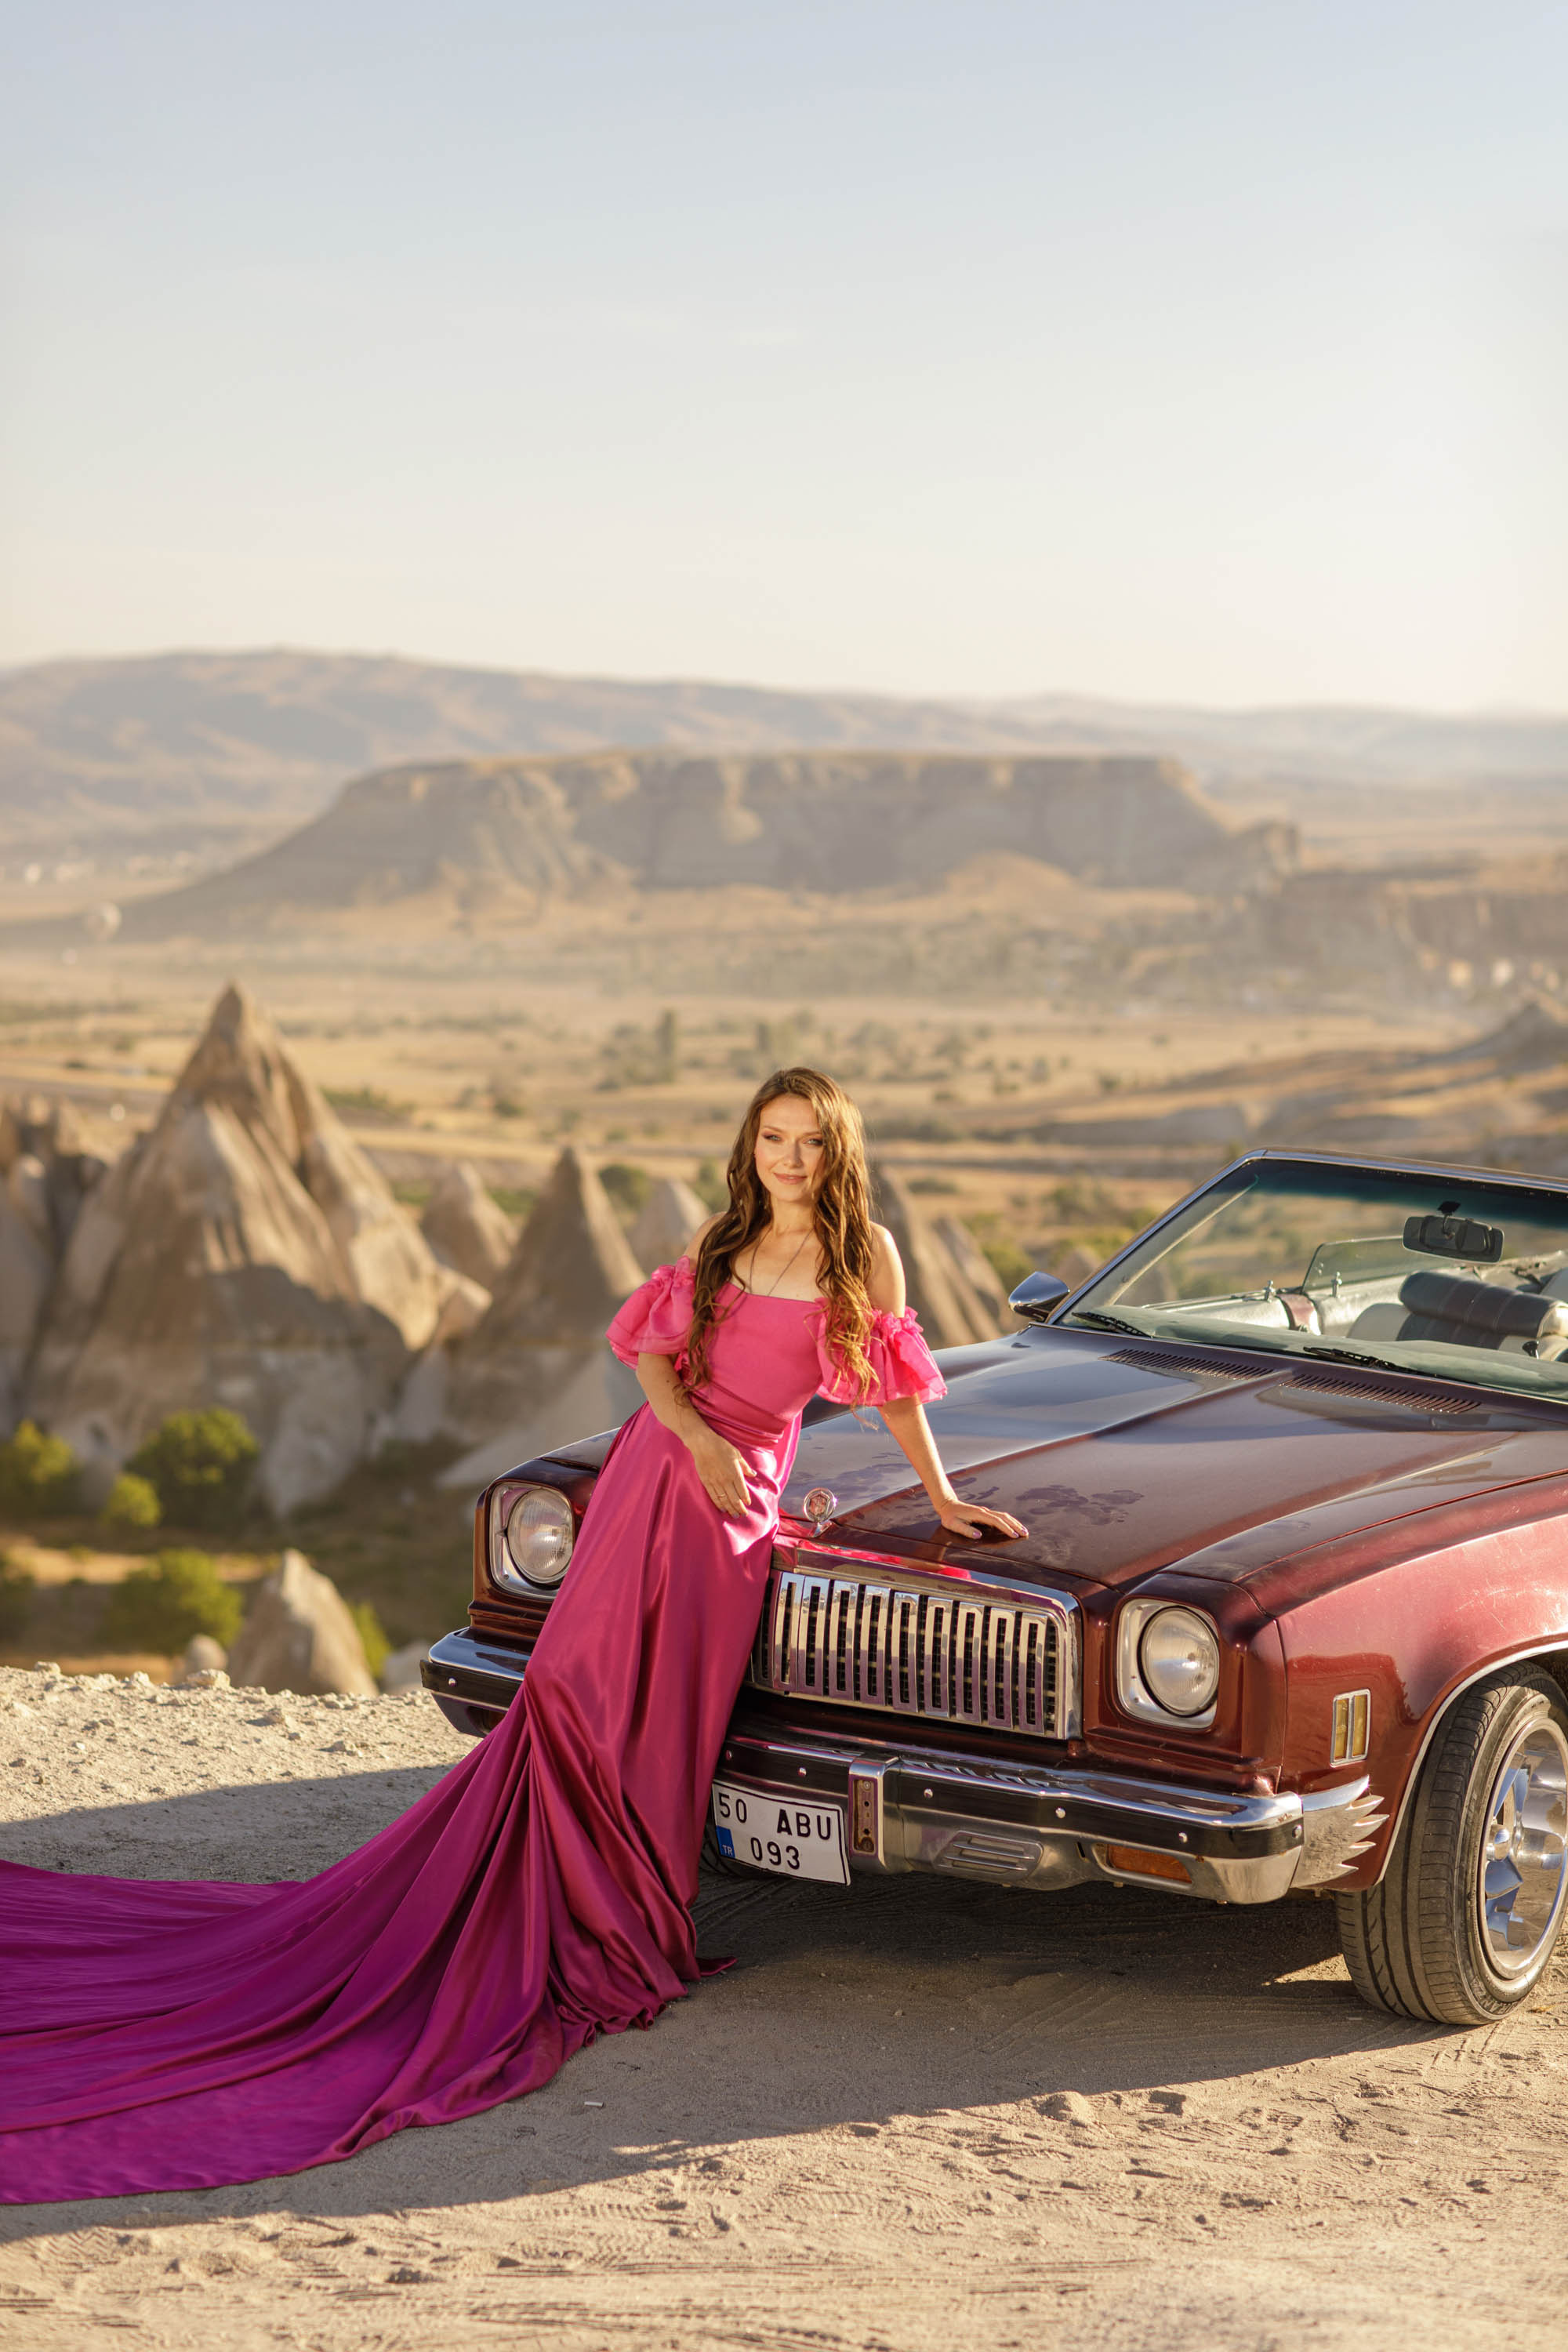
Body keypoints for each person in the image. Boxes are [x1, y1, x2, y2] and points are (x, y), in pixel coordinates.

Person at [0, 1068, 1024, 2203]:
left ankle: (627, 1908)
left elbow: (891, 1394)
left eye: (807, 1142)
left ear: (838, 1150)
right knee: (578, 1697)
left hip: (736, 1515)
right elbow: (649, 1354)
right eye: (771, 1138)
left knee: (668, 1717)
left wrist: (943, 1500)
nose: (788, 1159)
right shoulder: (721, 1237)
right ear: (751, 1148)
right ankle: (585, 1915)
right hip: (665, 1476)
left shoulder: (863, 1255)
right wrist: (692, 1441)